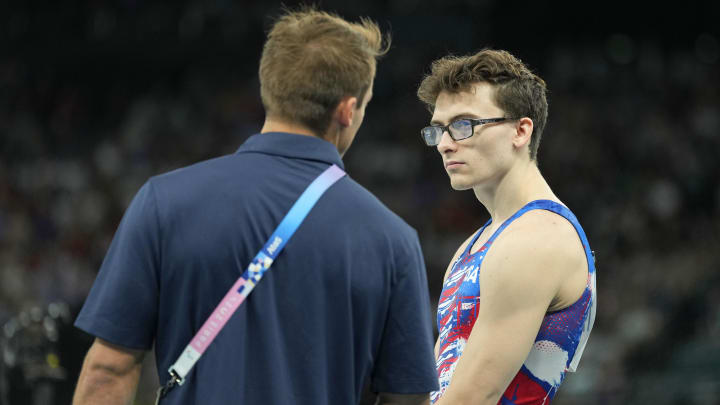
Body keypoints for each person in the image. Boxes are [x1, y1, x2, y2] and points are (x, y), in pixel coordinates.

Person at [72, 8, 439, 405]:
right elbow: (407, 398)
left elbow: (109, 370)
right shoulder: (393, 241)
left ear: (270, 87)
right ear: (348, 110)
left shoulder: (163, 202)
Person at [416, 49, 597, 404]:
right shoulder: (475, 244)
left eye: (463, 125)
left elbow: (473, 398)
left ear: (520, 130)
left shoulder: (538, 238)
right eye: (438, 130)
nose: (445, 145)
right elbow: (439, 378)